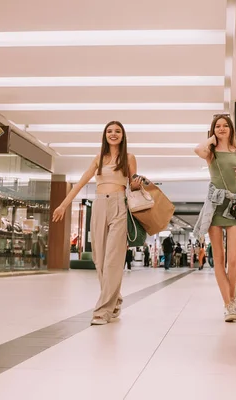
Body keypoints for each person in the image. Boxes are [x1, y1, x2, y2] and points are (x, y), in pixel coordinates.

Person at [52, 121, 144, 326]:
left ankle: (103, 310)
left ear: (123, 135)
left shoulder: (129, 158)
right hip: (100, 205)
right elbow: (80, 183)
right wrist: (63, 205)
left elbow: (132, 185)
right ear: (105, 135)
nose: (113, 134)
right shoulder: (98, 159)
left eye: (117, 131)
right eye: (110, 131)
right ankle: (115, 298)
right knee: (99, 259)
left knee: (113, 259)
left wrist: (136, 186)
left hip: (120, 205)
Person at [193, 114, 236, 322]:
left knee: (234, 259)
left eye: (225, 126)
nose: (221, 129)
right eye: (217, 126)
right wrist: (212, 139)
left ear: (231, 129)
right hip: (215, 206)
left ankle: (232, 300)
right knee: (218, 258)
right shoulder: (210, 153)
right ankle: (228, 305)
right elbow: (197, 149)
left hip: (235, 207)